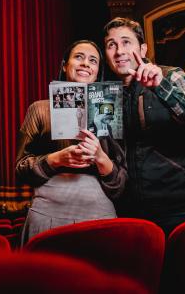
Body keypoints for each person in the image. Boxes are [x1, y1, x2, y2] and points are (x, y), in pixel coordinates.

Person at [102, 17, 185, 235]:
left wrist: (162, 87)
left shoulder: (170, 75)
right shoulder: (105, 95)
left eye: (126, 42)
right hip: (129, 212)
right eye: (111, 45)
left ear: (143, 49)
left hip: (181, 210)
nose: (119, 51)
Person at [15, 40, 127, 245]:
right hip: (47, 214)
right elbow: (20, 169)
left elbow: (122, 183)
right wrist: (56, 159)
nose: (86, 63)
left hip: (100, 216)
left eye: (93, 60)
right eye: (79, 57)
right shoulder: (39, 109)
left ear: (97, 72)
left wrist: (101, 158)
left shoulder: (111, 112)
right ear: (65, 65)